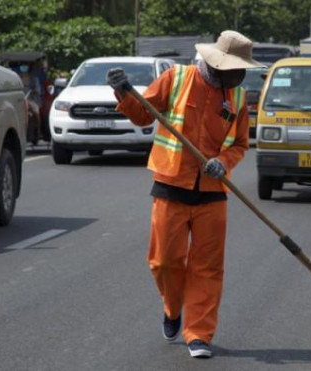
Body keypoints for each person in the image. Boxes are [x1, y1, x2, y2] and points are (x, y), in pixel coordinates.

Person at [107, 30, 264, 359]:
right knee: (164, 262)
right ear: (215, 64)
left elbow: (239, 144)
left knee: (207, 268)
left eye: (241, 71)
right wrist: (123, 92)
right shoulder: (176, 78)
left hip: (212, 193)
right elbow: (142, 114)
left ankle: (199, 335)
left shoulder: (237, 98)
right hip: (171, 184)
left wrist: (223, 161)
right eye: (234, 70)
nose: (239, 77)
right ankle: (172, 307)